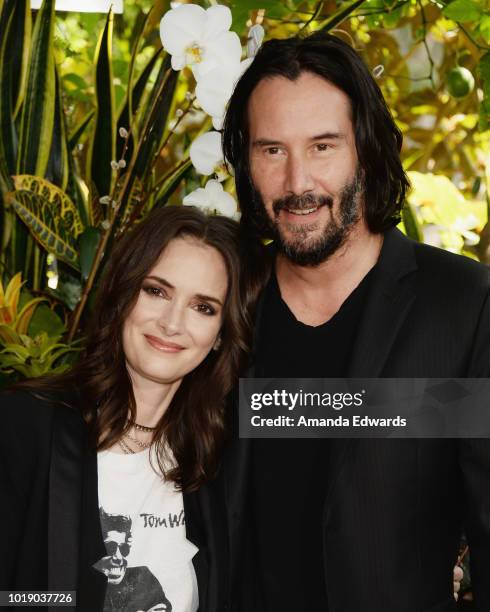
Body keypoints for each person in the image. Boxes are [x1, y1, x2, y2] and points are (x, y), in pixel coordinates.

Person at [220, 32, 490, 611]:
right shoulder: (220, 302)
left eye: (322, 146)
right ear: (245, 162)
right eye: (272, 150)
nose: (297, 183)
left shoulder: (464, 306)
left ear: (365, 150)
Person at [0, 205, 258, 612]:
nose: (172, 323)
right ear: (123, 293)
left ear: (222, 335)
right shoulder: (24, 425)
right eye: (157, 291)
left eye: (203, 307)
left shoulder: (217, 461)